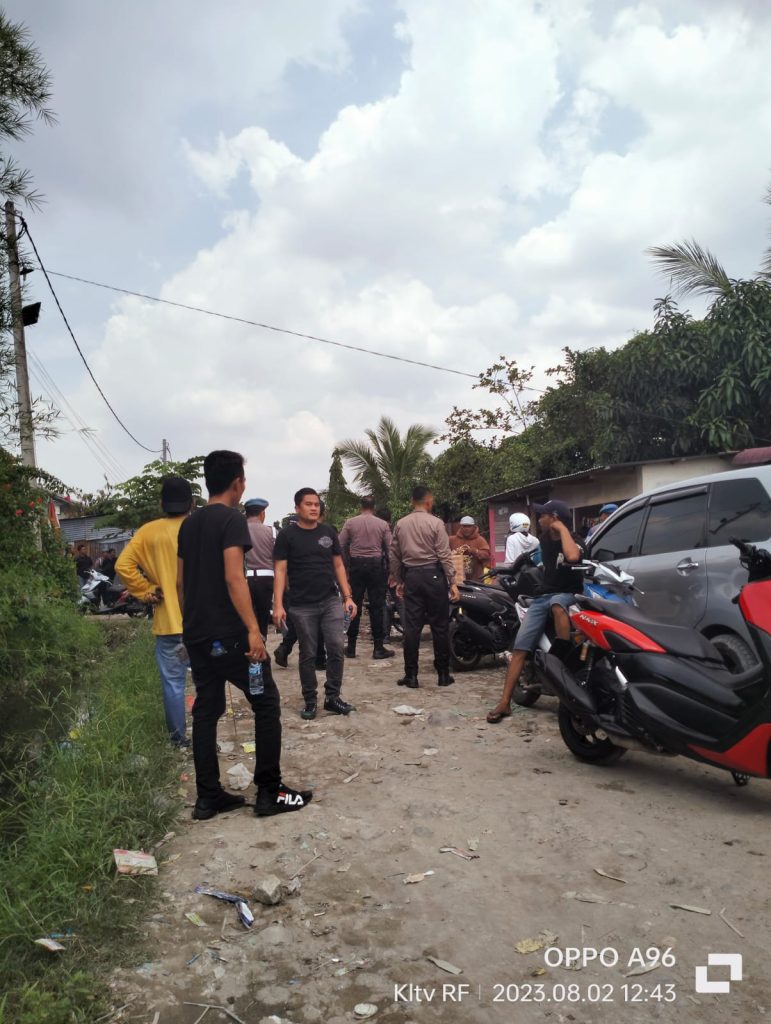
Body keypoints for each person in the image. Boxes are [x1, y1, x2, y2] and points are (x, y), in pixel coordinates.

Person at [177, 450, 311, 820]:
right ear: (238, 483)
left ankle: (208, 798)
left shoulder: (188, 525)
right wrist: (254, 629)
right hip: (232, 635)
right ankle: (269, 792)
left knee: (207, 709)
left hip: (198, 634)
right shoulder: (231, 520)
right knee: (265, 702)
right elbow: (234, 577)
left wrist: (191, 626)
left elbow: (180, 582)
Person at [487, 499, 584, 724]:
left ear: (555, 518)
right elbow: (531, 559)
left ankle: (561, 658)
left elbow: (572, 557)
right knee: (519, 650)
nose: (538, 520)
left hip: (568, 594)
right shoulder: (543, 541)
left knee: (557, 604)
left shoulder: (576, 541)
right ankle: (504, 702)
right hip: (542, 598)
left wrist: (562, 530)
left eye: (543, 515)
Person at [116, 477, 193, 747]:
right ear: (192, 503)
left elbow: (123, 565)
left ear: (162, 503)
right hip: (202, 622)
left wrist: (147, 590)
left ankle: (179, 740)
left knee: (174, 684)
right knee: (207, 682)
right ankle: (206, 737)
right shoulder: (199, 527)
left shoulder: (148, 532)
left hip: (169, 624)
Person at [273, 487, 357, 720]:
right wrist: (278, 604)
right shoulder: (287, 536)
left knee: (336, 647)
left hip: (330, 600)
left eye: (316, 504)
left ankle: (333, 697)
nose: (313, 508)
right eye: (308, 504)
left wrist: (348, 597)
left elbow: (338, 565)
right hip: (301, 605)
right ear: (297, 508)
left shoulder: (328, 532)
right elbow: (280, 571)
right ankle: (310, 700)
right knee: (308, 653)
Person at [389, 485, 460, 689]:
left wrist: (398, 580)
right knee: (440, 626)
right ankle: (443, 674)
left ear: (412, 501)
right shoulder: (436, 523)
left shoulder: (401, 524)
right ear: (429, 501)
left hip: (412, 576)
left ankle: (411, 675)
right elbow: (444, 555)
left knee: (412, 628)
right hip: (434, 576)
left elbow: (394, 555)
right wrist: (452, 582)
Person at [339, 496, 394, 659]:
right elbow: (390, 549)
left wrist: (346, 564)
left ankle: (351, 647)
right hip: (376, 566)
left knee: (353, 605)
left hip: (356, 565)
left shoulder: (350, 523)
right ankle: (378, 647)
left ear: (360, 507)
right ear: (373, 507)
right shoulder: (382, 524)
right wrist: (392, 571)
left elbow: (341, 544)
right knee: (377, 606)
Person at [244, 497, 275, 638]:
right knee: (263, 618)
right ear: (262, 513)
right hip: (267, 580)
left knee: (247, 617)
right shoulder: (271, 531)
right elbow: (277, 558)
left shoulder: (239, 530)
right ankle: (262, 645)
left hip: (245, 579)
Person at [449, 515, 491, 582]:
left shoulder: (480, 540)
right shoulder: (452, 540)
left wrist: (476, 551)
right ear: (460, 527)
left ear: (474, 527)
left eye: (469, 526)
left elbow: (487, 555)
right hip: (458, 579)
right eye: (464, 526)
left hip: (476, 579)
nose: (467, 529)